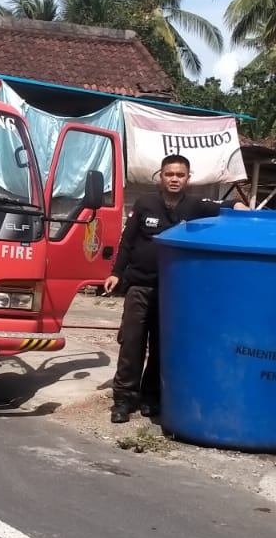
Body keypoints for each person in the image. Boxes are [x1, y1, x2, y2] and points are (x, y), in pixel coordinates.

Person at [101, 154, 238, 424]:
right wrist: (116, 273)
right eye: (169, 174)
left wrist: (241, 206)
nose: (174, 179)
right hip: (139, 286)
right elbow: (127, 242)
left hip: (174, 292)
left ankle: (151, 397)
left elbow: (227, 205)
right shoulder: (145, 204)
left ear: (188, 178)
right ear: (160, 176)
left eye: (180, 175)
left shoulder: (196, 205)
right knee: (131, 343)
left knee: (162, 345)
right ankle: (123, 400)